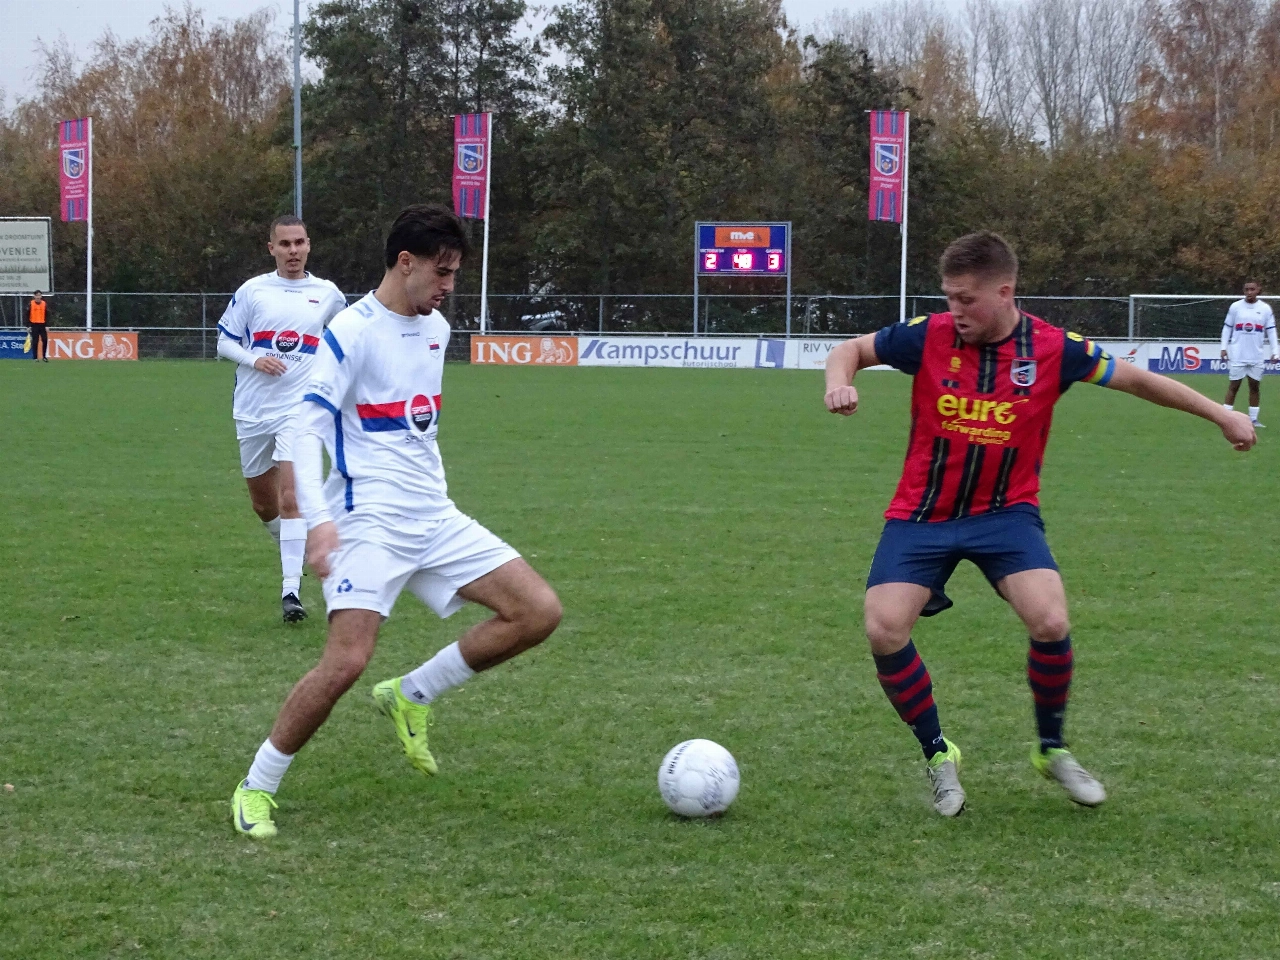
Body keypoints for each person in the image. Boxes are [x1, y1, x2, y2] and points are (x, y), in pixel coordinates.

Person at [824, 231, 1256, 818]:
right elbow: (849, 349)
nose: (956, 311)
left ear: (1005, 292)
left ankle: (1052, 748)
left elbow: (1138, 381)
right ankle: (938, 754)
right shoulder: (927, 337)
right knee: (883, 629)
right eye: (949, 297)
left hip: (1005, 514)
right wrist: (838, 382)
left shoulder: (1055, 348)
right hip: (922, 514)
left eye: (967, 300)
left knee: (1050, 618)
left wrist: (1219, 414)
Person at [230, 205, 562, 839]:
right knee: (346, 662)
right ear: (404, 262)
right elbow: (305, 425)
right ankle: (256, 785)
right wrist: (321, 520)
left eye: (455, 274)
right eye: (441, 272)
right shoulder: (351, 331)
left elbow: (414, 430)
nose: (447, 286)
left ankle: (411, 693)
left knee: (537, 611)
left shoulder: (433, 329)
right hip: (367, 522)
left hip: (433, 515)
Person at [216, 215, 347, 622]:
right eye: (285, 244)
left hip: (300, 409)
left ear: (309, 246)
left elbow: (348, 338)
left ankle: (291, 590)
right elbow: (222, 341)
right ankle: (298, 547)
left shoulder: (326, 294)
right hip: (253, 410)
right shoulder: (253, 291)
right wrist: (255, 358)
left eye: (300, 243)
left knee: (292, 498)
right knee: (264, 504)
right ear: (271, 247)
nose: (293, 251)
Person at [1220, 280, 1277, 428]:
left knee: (1255, 387)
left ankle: (1253, 419)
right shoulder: (1236, 307)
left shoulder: (1265, 309)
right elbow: (1227, 328)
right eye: (1246, 289)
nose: (1249, 292)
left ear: (1258, 290)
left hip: (1256, 355)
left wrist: (1275, 352)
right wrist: (1223, 347)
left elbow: (1271, 331)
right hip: (1238, 354)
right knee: (1234, 386)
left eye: (1252, 289)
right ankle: (1226, 418)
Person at [28, 291, 48, 361]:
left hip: (42, 324)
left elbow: (47, 315)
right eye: (37, 295)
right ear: (34, 296)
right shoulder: (31, 303)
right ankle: (35, 357)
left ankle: (44, 356)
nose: (38, 297)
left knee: (45, 340)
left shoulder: (44, 303)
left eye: (39, 295)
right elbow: (27, 314)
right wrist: (28, 325)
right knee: (35, 341)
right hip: (34, 324)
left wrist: (47, 325)